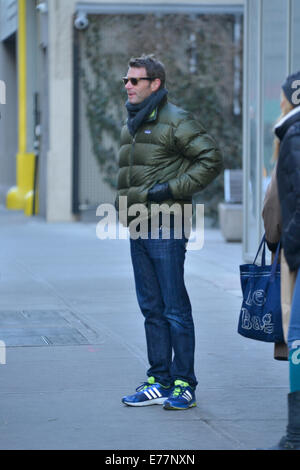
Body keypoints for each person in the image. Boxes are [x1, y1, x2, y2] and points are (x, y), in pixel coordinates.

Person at [116, 54, 222, 410]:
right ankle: (158, 380)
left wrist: (169, 189)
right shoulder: (131, 124)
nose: (127, 86)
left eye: (135, 80)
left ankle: (183, 383)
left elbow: (210, 159)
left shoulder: (176, 120)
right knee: (151, 308)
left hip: (166, 224)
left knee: (174, 307)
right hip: (138, 225)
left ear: (155, 84)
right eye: (126, 81)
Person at [264, 71, 300, 449]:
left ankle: (295, 436)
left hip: (298, 251)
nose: (279, 102)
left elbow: (285, 201)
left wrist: (285, 241)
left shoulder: (293, 134)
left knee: (298, 336)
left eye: (282, 96)